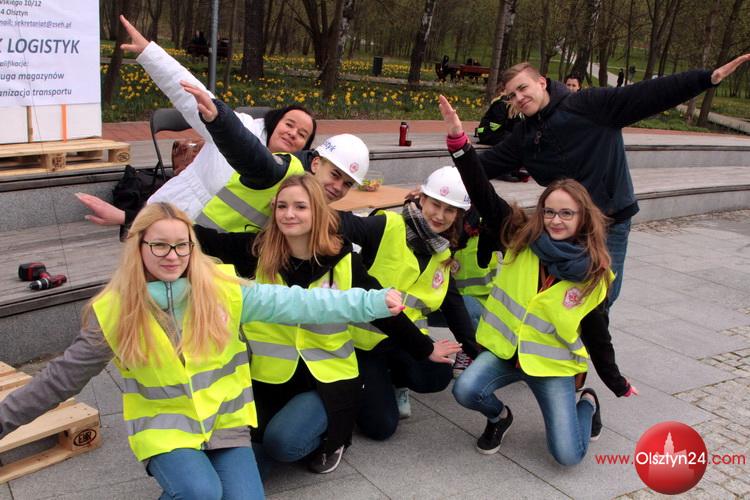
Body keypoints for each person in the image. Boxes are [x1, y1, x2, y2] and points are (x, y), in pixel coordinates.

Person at [0, 202, 404, 499]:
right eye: (160, 246)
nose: (173, 256)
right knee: (201, 492)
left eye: (182, 246)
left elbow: (301, 303)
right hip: (165, 428)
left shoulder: (224, 290)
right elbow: (56, 381)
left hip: (225, 423)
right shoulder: (115, 312)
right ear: (138, 246)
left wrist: (370, 302)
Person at [202, 174, 460, 473]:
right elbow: (198, 239)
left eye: (300, 207)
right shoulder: (256, 250)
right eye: (282, 206)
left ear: (318, 211)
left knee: (282, 444)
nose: (289, 214)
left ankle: (333, 437)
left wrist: (426, 348)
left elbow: (380, 309)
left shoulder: (342, 258)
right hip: (270, 376)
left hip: (326, 377)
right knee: (242, 451)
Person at [438, 95, 639, 465]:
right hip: (507, 355)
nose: (555, 220)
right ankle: (499, 417)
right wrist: (459, 144)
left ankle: (586, 403)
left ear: (583, 218)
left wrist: (616, 381)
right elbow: (482, 191)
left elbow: (598, 335)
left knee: (567, 455)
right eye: (549, 212)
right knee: (465, 389)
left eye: (566, 213)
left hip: (551, 367)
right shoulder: (520, 238)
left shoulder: (594, 276)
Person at [478, 54, 750, 306]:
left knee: (601, 297)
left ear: (541, 82)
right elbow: (485, 165)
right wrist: (458, 149)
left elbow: (648, 94)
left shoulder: (589, 105)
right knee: (559, 295)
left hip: (610, 220)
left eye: (523, 88)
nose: (519, 98)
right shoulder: (524, 135)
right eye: (512, 95)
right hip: (564, 225)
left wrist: (705, 79)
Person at [76, 16, 317, 230]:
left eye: (302, 134)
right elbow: (192, 96)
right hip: (169, 219)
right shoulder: (239, 130)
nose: (293, 133)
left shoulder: (294, 178)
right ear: (275, 121)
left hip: (219, 251)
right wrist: (149, 54)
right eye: (289, 124)